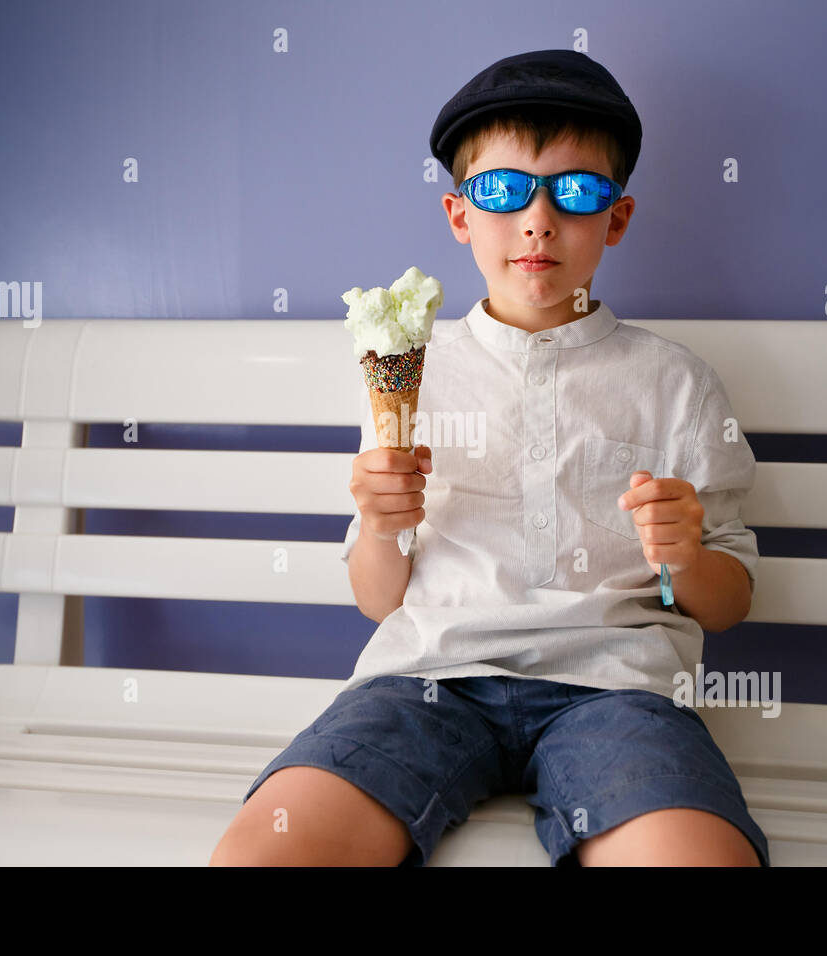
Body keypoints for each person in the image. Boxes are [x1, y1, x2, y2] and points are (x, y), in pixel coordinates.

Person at [211, 49, 769, 867]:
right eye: (504, 191)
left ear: (616, 218)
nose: (537, 220)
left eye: (575, 192)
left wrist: (683, 556)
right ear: (458, 215)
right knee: (264, 855)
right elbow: (377, 601)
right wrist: (378, 524)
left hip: (617, 692)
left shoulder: (675, 383)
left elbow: (727, 603)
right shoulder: (406, 371)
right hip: (425, 680)